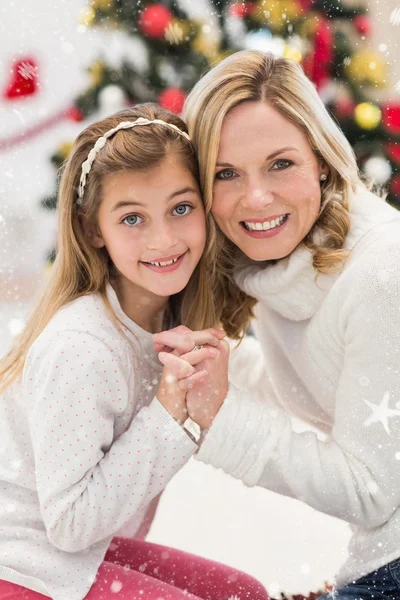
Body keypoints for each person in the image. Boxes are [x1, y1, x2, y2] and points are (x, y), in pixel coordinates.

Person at [155, 50, 400, 599]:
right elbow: (318, 390)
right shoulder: (280, 267)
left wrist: (220, 416)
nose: (257, 197)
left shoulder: (383, 272)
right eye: (226, 174)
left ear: (322, 157)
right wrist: (208, 357)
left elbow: (370, 492)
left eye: (280, 163)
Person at [0, 103, 269, 600]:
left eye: (181, 208)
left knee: (243, 592)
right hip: (25, 567)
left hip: (84, 555)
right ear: (91, 230)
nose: (163, 237)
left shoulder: (165, 321)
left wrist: (192, 420)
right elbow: (71, 524)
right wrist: (173, 419)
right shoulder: (81, 348)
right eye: (132, 218)